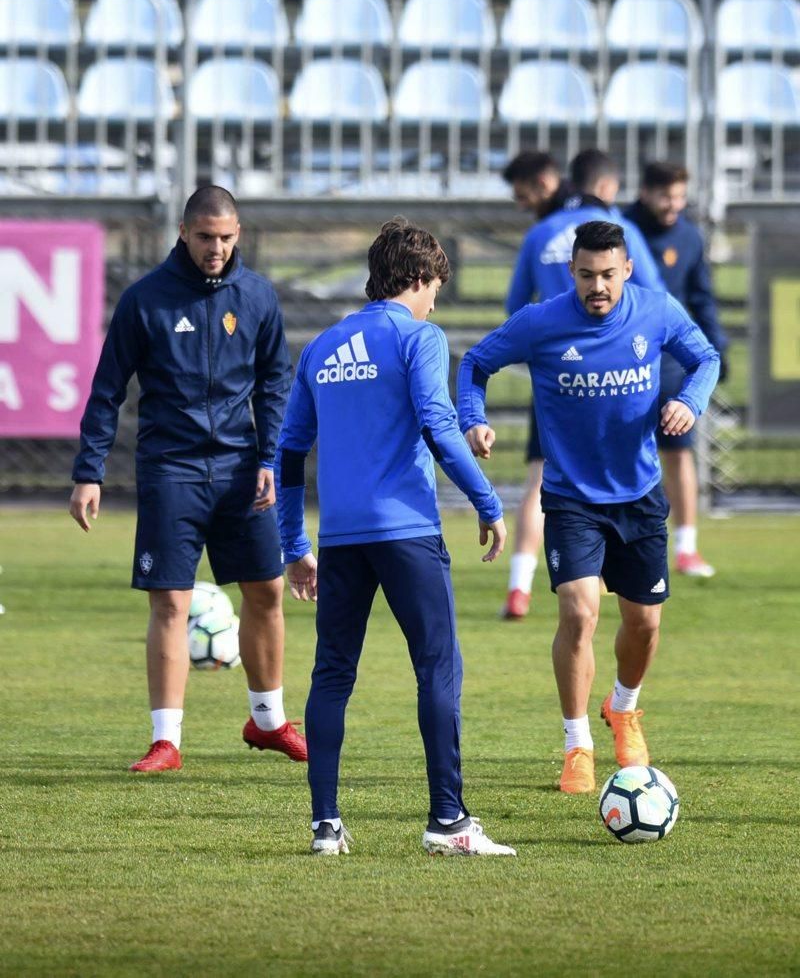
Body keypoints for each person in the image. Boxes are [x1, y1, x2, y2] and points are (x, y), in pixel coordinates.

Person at [275, 218, 515, 857]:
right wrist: (489, 503)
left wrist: (294, 544)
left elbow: (289, 450)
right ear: (417, 278)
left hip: (342, 537)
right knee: (437, 666)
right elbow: (439, 426)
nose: (436, 298)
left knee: (331, 674)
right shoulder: (421, 338)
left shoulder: (322, 346)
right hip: (408, 531)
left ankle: (326, 826)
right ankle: (448, 822)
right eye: (436, 284)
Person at [458, 221, 719, 794]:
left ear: (626, 270)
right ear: (570, 273)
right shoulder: (542, 322)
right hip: (572, 498)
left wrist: (690, 403)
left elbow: (706, 359)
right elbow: (473, 363)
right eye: (585, 275)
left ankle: (623, 707)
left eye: (607, 275)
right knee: (579, 614)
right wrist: (472, 419)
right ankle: (577, 744)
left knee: (644, 623)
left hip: (641, 495)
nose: (596, 286)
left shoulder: (657, 311)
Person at [69, 185, 307, 772]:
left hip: (240, 469)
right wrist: (88, 473)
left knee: (267, 590)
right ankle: (166, 740)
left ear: (239, 234)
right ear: (183, 231)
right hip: (171, 468)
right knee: (171, 601)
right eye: (205, 237)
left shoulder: (256, 297)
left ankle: (269, 721)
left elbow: (277, 383)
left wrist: (269, 458)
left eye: (226, 238)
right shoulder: (145, 300)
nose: (216, 248)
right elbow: (106, 391)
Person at [501, 149, 664, 620]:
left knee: (541, 477)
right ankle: (613, 568)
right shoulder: (621, 233)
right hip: (617, 379)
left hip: (557, 381)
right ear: (607, 188)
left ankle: (519, 587)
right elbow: (656, 301)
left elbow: (515, 310)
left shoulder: (539, 235)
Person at [626, 162, 728, 578]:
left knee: (678, 452)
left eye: (680, 196)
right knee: (624, 450)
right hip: (625, 359)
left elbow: (701, 295)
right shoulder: (622, 231)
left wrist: (716, 344)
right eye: (667, 195)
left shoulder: (689, 236)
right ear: (646, 192)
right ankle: (622, 540)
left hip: (670, 363)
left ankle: (686, 547)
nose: (674, 204)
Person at [501, 150, 562, 217]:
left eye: (523, 197)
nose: (521, 207)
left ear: (543, 185)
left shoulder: (557, 223)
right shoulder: (566, 213)